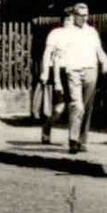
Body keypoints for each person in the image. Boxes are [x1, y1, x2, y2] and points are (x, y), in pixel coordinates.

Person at [64, 1, 107, 153]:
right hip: (74, 71)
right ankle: (73, 139)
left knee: (87, 106)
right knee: (76, 104)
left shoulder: (92, 32)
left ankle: (82, 140)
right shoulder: (68, 31)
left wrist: (105, 62)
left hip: (91, 69)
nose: (84, 18)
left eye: (86, 15)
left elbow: (99, 50)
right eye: (81, 15)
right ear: (75, 15)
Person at [36, 8, 75, 144]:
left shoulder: (80, 34)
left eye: (71, 19)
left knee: (75, 106)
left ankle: (73, 138)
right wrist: (45, 71)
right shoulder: (56, 33)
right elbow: (47, 53)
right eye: (67, 19)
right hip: (60, 71)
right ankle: (47, 127)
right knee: (60, 108)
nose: (69, 22)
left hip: (75, 71)